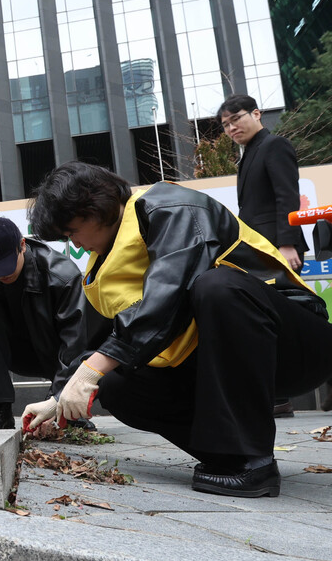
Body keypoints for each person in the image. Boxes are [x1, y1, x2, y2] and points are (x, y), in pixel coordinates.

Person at [24, 161, 332, 498]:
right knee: (117, 385)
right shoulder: (102, 269)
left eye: (72, 233)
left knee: (218, 287)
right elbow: (102, 342)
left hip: (295, 347)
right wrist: (60, 397)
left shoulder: (172, 207)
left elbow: (167, 294)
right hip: (223, 364)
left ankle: (254, 463)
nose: (77, 245)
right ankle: (230, 458)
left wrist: (92, 369)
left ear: (93, 207)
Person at [0, 216, 99, 431]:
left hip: (54, 352)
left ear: (22, 245)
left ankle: (67, 409)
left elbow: (74, 343)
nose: (0, 275)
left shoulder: (61, 275)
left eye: (5, 265)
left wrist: (56, 401)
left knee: (64, 400)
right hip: (14, 353)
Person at [218, 94, 309, 418]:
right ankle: (276, 395)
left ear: (256, 113)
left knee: (283, 318)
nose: (231, 128)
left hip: (277, 248)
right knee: (265, 318)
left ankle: (280, 395)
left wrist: (286, 245)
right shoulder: (249, 155)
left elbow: (287, 196)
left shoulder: (274, 145)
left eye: (236, 119)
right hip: (259, 249)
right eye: (225, 124)